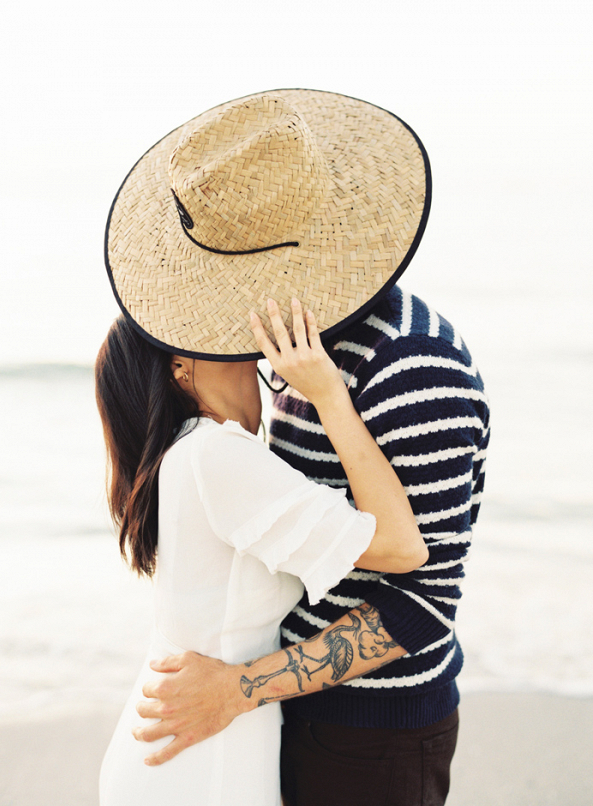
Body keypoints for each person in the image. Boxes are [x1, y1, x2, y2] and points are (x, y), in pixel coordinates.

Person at [124, 92, 490, 806]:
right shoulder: (295, 347)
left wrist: (238, 688)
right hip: (295, 713)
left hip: (372, 732)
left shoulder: (412, 366)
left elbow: (423, 602)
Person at [96, 301, 427, 806]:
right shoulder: (215, 454)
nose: (245, 342)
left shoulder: (193, 452)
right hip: (200, 759)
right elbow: (401, 548)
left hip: (193, 734)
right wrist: (329, 395)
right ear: (180, 367)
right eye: (218, 332)